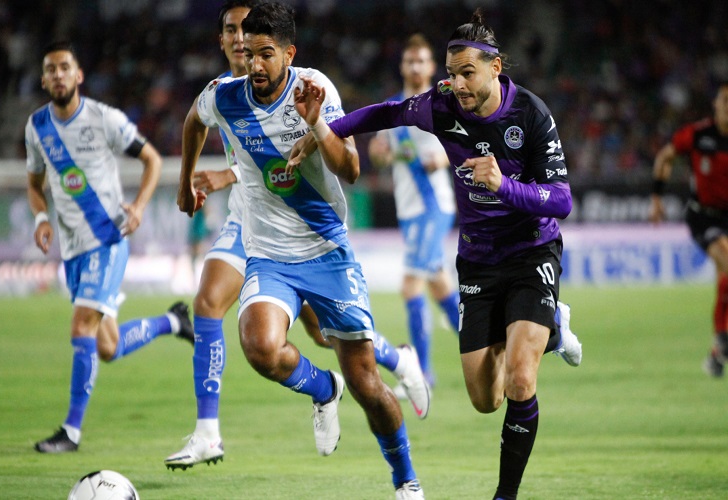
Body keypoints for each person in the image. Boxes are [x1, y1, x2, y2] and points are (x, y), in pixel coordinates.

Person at [289, 9, 583, 499]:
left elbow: (562, 200)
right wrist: (325, 132)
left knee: (520, 379)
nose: (457, 84)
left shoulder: (531, 114)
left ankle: (505, 494)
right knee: (485, 399)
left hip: (531, 252)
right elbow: (385, 113)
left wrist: (505, 186)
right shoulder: (442, 105)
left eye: (467, 73)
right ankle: (550, 326)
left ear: (495, 68)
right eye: (451, 73)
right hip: (478, 259)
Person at [164, 0, 431, 473]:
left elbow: (349, 168)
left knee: (341, 353)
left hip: (322, 244)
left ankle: (392, 383)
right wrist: (186, 182)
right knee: (240, 328)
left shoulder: (313, 89)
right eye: (240, 42)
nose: (249, 56)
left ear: (287, 53)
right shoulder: (222, 94)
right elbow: (195, 122)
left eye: (261, 51)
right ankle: (217, 428)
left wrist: (317, 124)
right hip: (259, 237)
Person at [25, 41, 194, 453]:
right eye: (51, 69)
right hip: (72, 250)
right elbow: (34, 182)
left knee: (81, 326)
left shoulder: (105, 119)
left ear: (78, 75)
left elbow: (152, 159)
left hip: (107, 240)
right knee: (108, 346)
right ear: (44, 80)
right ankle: (173, 322)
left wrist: (138, 207)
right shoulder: (37, 127)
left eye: (65, 67)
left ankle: (71, 432)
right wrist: (41, 218)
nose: (59, 75)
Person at [367, 33, 460, 389]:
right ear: (403, 66)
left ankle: (421, 374)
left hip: (432, 206)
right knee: (440, 286)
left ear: (432, 67)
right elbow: (379, 154)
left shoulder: (444, 104)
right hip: (409, 210)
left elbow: (464, 145)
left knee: (410, 287)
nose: (416, 67)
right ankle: (486, 343)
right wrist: (381, 154)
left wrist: (444, 158)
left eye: (422, 61)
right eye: (410, 61)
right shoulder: (392, 108)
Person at [650, 81, 728, 377]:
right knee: (726, 258)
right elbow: (665, 157)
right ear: (716, 105)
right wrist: (657, 198)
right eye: (724, 101)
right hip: (704, 218)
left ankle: (716, 353)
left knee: (724, 280)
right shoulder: (698, 135)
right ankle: (723, 337)